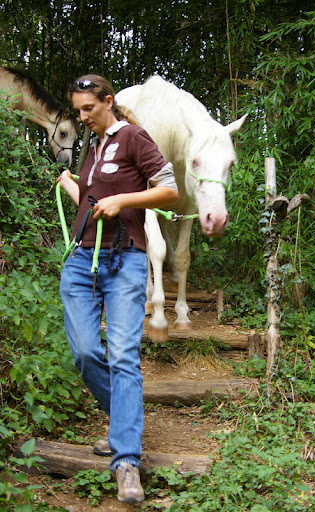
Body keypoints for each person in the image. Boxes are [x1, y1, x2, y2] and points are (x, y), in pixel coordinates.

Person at [58, 74, 178, 504]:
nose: (82, 116)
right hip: (79, 264)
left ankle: (126, 459)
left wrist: (124, 200)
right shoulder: (92, 147)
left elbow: (170, 191)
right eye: (77, 111)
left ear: (108, 101)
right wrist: (74, 186)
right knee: (86, 352)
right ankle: (122, 421)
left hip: (124, 261)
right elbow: (93, 207)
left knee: (124, 354)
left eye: (88, 108)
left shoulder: (132, 137)